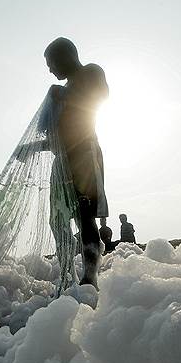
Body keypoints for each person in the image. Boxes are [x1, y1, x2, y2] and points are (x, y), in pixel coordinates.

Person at [44, 37, 109, 287]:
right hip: (62, 162)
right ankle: (66, 273)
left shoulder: (90, 72)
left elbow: (101, 96)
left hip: (84, 154)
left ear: (66, 56)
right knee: (57, 219)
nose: (50, 69)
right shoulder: (58, 95)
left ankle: (90, 275)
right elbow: (53, 138)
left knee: (84, 214)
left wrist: (65, 95)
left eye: (51, 63)